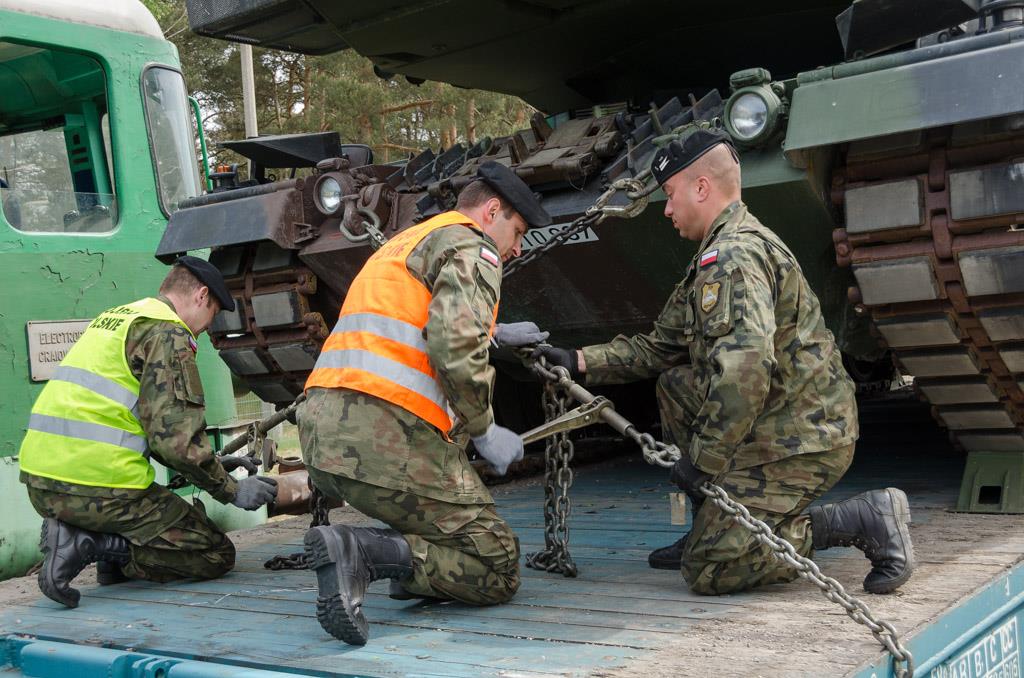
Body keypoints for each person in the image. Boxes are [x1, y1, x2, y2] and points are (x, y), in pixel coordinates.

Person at [534, 128, 914, 596]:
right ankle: (709, 522)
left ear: (701, 187)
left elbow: (745, 370)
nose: (667, 209)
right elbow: (659, 348)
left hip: (805, 434)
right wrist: (577, 360)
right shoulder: (716, 253)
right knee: (676, 383)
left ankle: (858, 519)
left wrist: (705, 460)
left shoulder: (733, 256)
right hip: (776, 415)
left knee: (711, 569)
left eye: (671, 195)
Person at [297, 161, 551, 645]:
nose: (517, 248)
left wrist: (490, 331)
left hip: (323, 434)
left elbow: (407, 320)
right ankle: (365, 554)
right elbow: (453, 344)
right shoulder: (472, 244)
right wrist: (483, 428)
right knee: (497, 563)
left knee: (450, 528)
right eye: (516, 231)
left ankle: (402, 565)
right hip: (384, 436)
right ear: (492, 210)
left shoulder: (406, 241)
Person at [19, 256, 278, 608]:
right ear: (201, 296)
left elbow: (133, 420)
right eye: (214, 312)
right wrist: (231, 490)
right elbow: (174, 441)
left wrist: (214, 462)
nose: (208, 325)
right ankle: (89, 544)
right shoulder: (167, 334)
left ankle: (109, 560)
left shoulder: (118, 319)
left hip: (42, 482)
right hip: (95, 489)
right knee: (214, 552)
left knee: (165, 518)